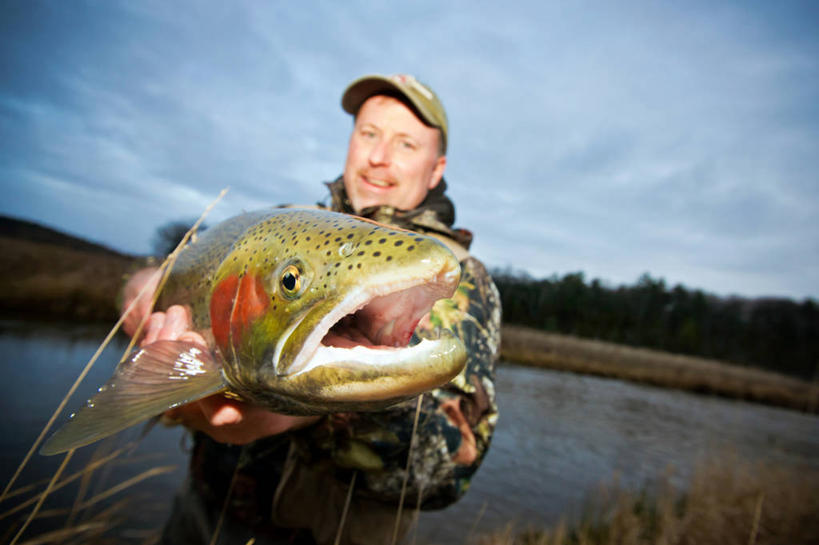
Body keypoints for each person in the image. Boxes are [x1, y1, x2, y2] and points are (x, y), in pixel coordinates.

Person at [121, 74, 501, 545]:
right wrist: (140, 289)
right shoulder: (280, 223)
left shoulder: (462, 276)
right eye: (369, 134)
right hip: (197, 513)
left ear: (436, 168)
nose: (379, 156)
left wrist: (302, 411)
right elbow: (175, 269)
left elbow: (448, 466)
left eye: (406, 144)